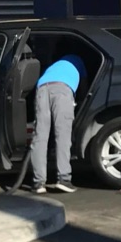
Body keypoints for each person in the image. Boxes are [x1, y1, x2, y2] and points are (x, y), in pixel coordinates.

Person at [29, 54, 84, 194]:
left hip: (41, 88)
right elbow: (84, 89)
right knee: (63, 136)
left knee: (40, 137)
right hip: (63, 89)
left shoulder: (54, 65)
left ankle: (38, 183)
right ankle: (64, 179)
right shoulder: (80, 63)